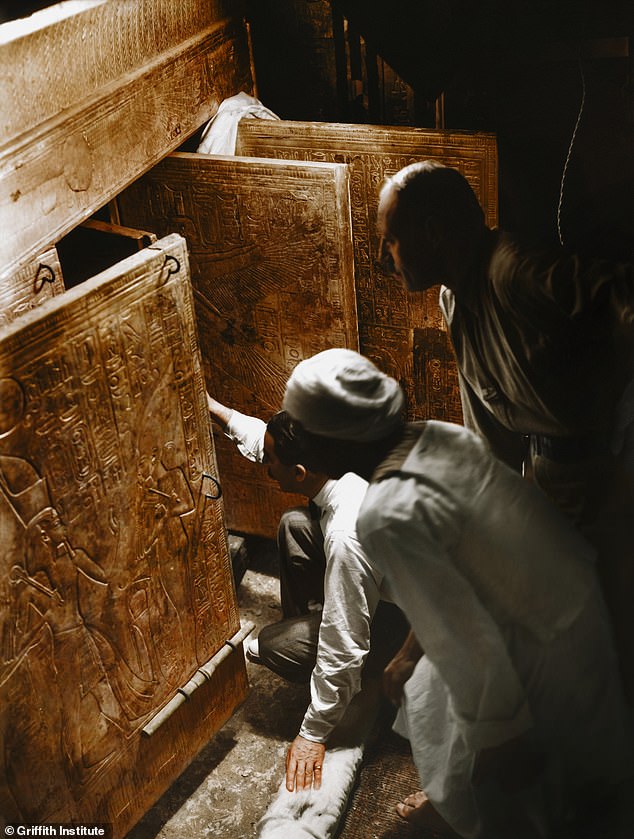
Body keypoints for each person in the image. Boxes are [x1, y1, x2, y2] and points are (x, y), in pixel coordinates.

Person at [281, 347, 633, 839]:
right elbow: (457, 582)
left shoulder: (387, 514)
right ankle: (458, 796)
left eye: (301, 433)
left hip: (538, 643)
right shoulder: (434, 436)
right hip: (573, 598)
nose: (298, 445)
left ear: (332, 442)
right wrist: (409, 654)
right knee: (422, 685)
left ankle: (473, 805)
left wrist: (498, 744)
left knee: (517, 794)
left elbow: (468, 642)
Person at [377, 159, 634, 701]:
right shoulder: (454, 301)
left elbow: (620, 295)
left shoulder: (514, 272)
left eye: (392, 240)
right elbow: (489, 453)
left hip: (607, 487)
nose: (385, 257)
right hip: (549, 487)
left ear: (433, 232)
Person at [206, 394, 407, 793]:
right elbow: (270, 440)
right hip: (395, 582)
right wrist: (220, 412)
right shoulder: (340, 455)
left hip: (417, 629)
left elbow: (344, 645)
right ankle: (317, 636)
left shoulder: (347, 535)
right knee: (295, 525)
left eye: (271, 463)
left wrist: (313, 734)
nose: (267, 469)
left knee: (273, 645)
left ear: (299, 473)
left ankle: (361, 680)